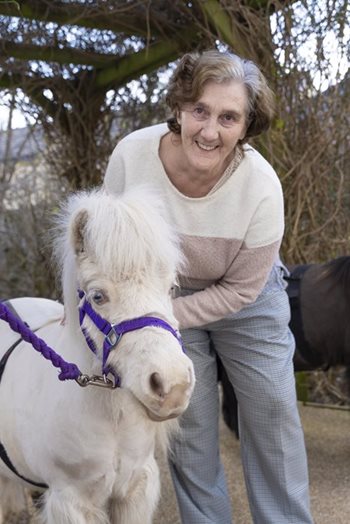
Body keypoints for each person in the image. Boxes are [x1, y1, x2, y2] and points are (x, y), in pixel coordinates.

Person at [103, 49, 313, 524]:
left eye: (228, 117)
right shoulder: (132, 157)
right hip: (165, 295)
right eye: (200, 110)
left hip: (248, 299)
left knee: (271, 414)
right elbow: (110, 248)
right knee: (188, 422)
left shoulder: (261, 187)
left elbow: (241, 292)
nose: (210, 130)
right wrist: (148, 317)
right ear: (179, 107)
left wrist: (161, 318)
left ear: (246, 126)